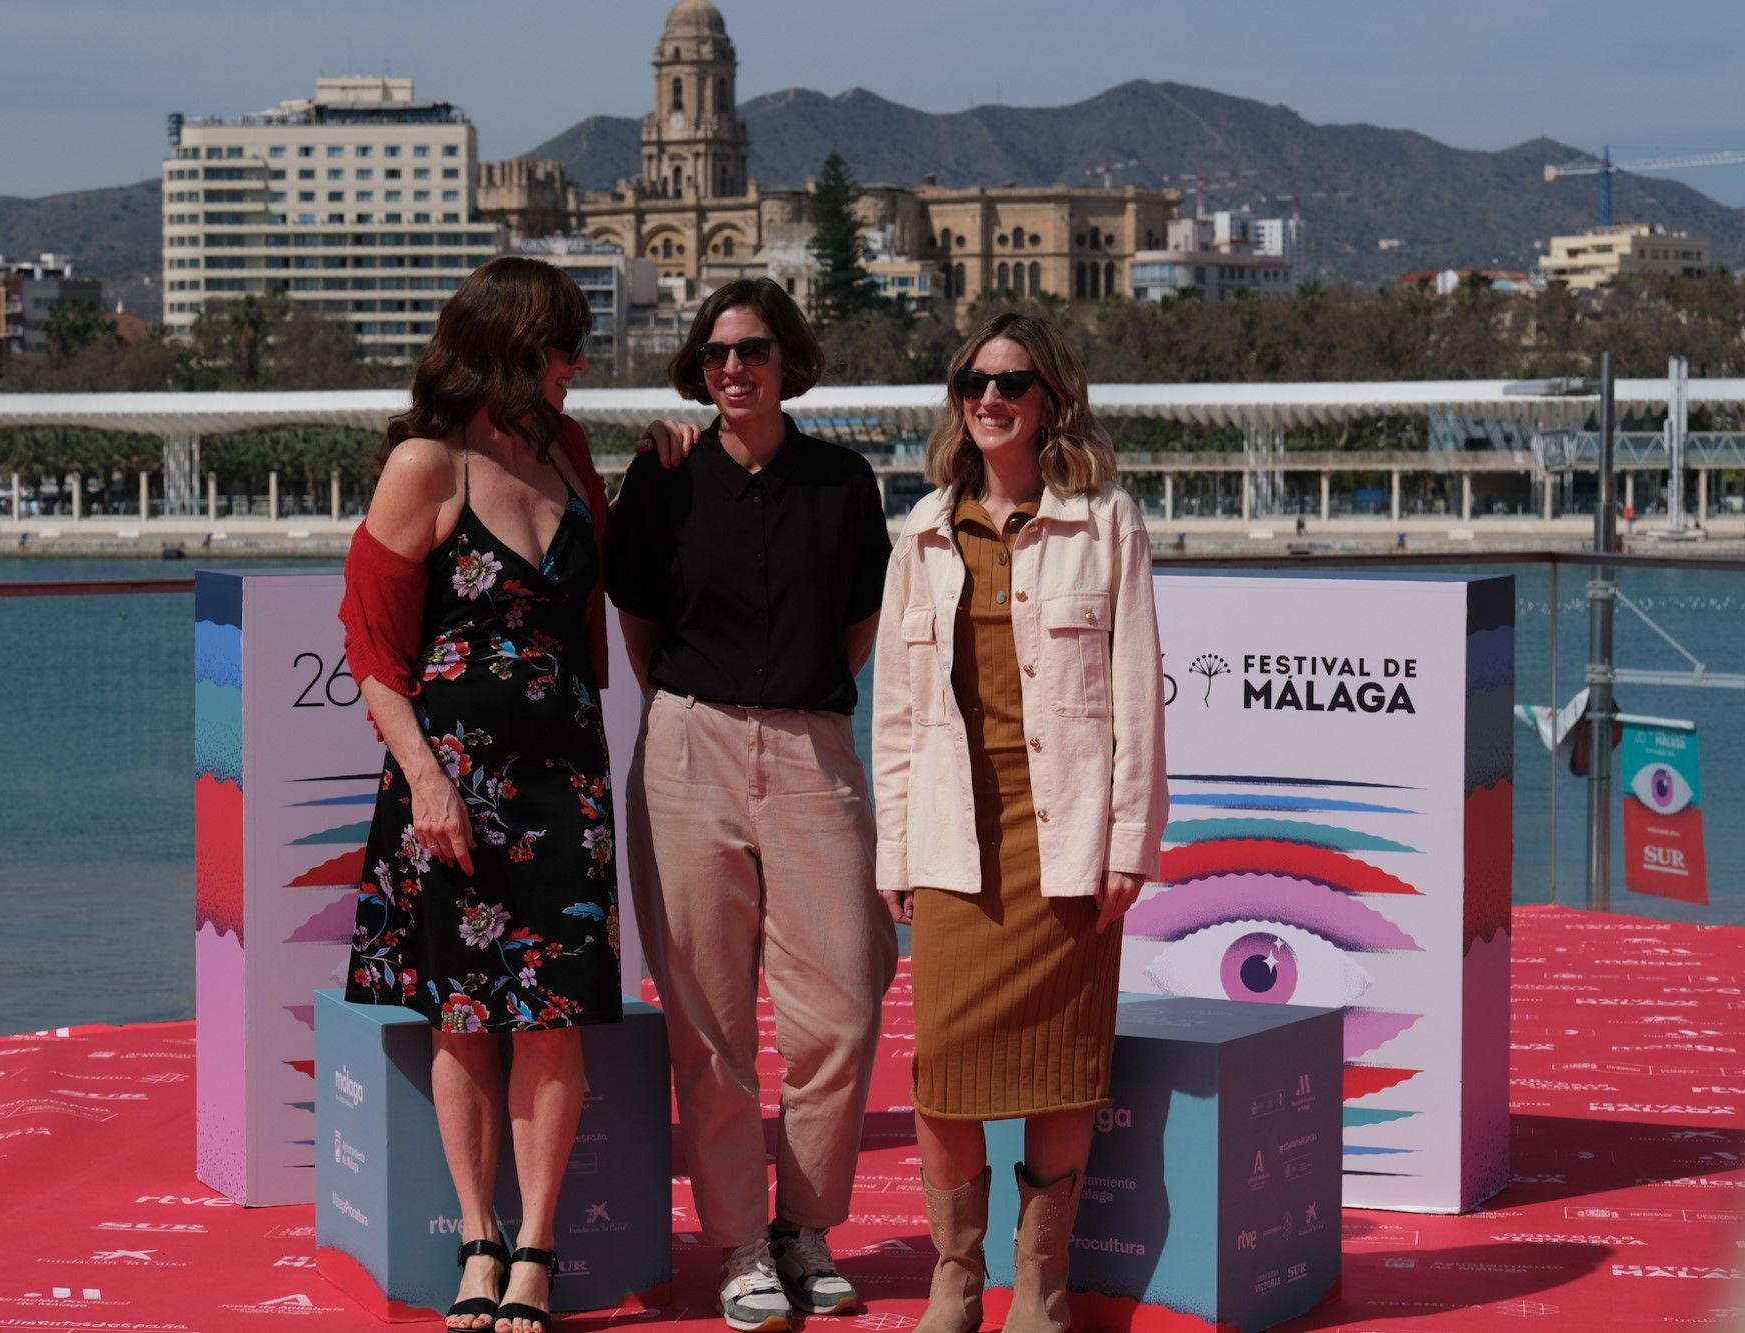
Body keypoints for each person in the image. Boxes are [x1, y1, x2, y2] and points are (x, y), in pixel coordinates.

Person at [607, 279, 899, 1333]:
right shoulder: (662, 479)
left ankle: (806, 1229)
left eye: (754, 350)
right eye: (716, 354)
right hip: (689, 744)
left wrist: (791, 703)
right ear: (697, 367)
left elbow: (860, 620)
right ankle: (739, 1242)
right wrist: (696, 710)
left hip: (812, 744)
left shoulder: (841, 480)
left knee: (843, 999)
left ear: (788, 360)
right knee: (708, 1014)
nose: (735, 368)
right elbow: (638, 622)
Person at [338, 257, 619, 1333]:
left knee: (553, 1022)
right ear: (508, 345)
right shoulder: (428, 462)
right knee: (465, 1021)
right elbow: (369, 644)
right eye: (561, 346)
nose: (575, 365)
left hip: (567, 786)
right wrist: (424, 782)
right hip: (453, 788)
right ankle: (476, 1237)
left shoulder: (569, 450)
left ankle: (537, 1243)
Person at [872, 313, 1167, 1333]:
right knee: (941, 1074)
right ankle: (955, 1276)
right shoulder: (917, 530)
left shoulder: (1106, 521)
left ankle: (1039, 1282)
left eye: (1009, 380)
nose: (987, 398)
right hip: (956, 833)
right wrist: (891, 846)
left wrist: (1128, 844)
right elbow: (899, 716)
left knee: (1062, 1067)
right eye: (971, 381)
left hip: (1067, 833)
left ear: (1049, 399)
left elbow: (1136, 697)